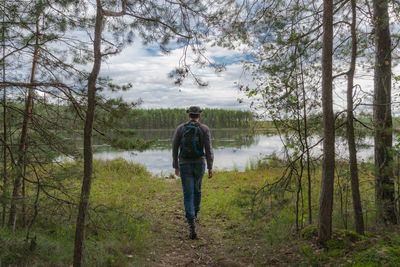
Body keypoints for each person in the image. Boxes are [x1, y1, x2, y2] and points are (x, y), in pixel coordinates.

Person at [172, 106, 214, 239]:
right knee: (197, 190)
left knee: (187, 194)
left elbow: (174, 148)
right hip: (199, 163)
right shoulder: (204, 129)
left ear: (189, 115)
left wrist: (176, 165)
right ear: (199, 116)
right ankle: (195, 215)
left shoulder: (180, 128)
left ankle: (191, 224)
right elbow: (208, 149)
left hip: (184, 164)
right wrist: (210, 167)